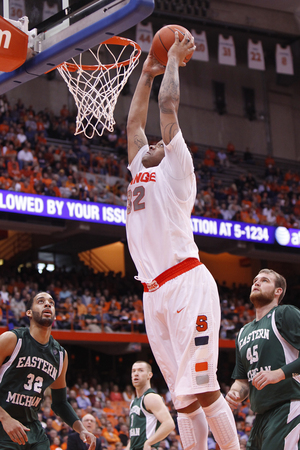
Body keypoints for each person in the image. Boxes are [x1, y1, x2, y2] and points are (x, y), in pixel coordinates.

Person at [125, 32, 239, 450]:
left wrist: (171, 59)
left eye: (160, 143)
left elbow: (166, 108)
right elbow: (133, 124)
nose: (152, 143)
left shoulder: (177, 170)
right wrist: (146, 73)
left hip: (186, 283)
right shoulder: (140, 168)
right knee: (183, 399)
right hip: (152, 293)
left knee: (204, 388)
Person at [0, 291, 96, 450]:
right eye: (41, 301)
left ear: (55, 315)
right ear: (29, 313)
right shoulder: (12, 340)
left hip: (33, 431)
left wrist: (82, 429)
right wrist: (5, 418)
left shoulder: (59, 355)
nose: (47, 304)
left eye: (51, 303)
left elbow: (60, 403)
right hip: (3, 424)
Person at [225, 269, 300, 449]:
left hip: (288, 405)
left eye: (264, 280)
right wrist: (235, 394)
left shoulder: (284, 313)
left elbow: (276, 374)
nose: (256, 283)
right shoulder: (243, 332)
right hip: (260, 415)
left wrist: (280, 373)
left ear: (278, 291)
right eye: (255, 280)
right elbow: (242, 381)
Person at [127, 361, 175, 450]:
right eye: (133, 371)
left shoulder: (150, 397)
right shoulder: (133, 402)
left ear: (149, 375)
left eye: (141, 370)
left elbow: (169, 424)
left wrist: (149, 442)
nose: (136, 374)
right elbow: (135, 435)